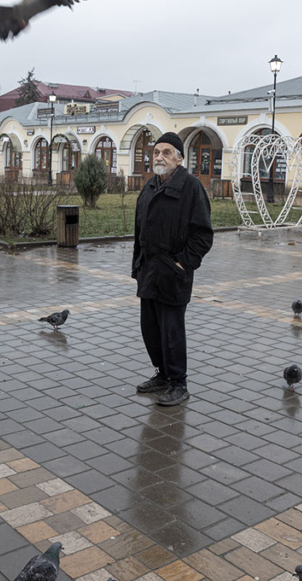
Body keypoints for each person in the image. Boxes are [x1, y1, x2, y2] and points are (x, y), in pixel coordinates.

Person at [131, 132, 213, 406]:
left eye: (166, 152)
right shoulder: (151, 185)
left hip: (172, 272)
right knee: (150, 329)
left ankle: (179, 383)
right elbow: (138, 230)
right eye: (156, 152)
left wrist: (182, 263)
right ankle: (163, 374)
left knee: (171, 332)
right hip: (149, 270)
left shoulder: (190, 187)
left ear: (179, 158)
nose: (159, 157)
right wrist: (137, 265)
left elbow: (202, 235)